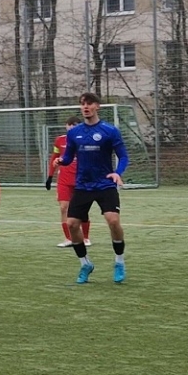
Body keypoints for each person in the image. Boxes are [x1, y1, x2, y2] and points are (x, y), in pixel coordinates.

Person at [58, 92, 130, 284]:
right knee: (72, 224)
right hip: (83, 185)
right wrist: (61, 161)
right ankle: (85, 264)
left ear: (97, 106)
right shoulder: (74, 133)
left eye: (89, 103)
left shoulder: (110, 131)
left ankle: (119, 261)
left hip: (105, 183)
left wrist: (118, 172)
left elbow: (123, 156)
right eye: (82, 104)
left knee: (113, 220)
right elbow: (68, 157)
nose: (85, 107)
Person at [46, 116, 90, 248]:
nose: (71, 127)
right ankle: (69, 238)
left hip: (80, 180)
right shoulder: (59, 140)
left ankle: (85, 237)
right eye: (69, 125)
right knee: (63, 208)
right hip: (63, 181)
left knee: (82, 210)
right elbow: (54, 158)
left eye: (74, 125)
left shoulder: (85, 140)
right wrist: (50, 176)